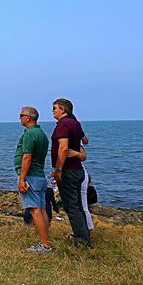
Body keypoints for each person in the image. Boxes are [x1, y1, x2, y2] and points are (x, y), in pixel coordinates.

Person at [51, 98, 92, 247]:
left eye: (55, 108)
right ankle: (84, 235)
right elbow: (85, 140)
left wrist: (58, 170)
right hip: (78, 170)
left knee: (71, 206)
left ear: (63, 109)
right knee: (78, 206)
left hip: (68, 170)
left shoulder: (63, 125)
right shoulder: (75, 123)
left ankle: (82, 241)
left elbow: (63, 148)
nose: (52, 111)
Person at [15, 106, 52, 252]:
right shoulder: (41, 133)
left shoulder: (30, 134)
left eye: (21, 115)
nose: (19, 118)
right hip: (39, 176)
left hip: (31, 177)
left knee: (35, 211)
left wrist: (22, 179)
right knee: (41, 210)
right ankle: (45, 243)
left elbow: (27, 156)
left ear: (28, 117)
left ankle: (45, 246)